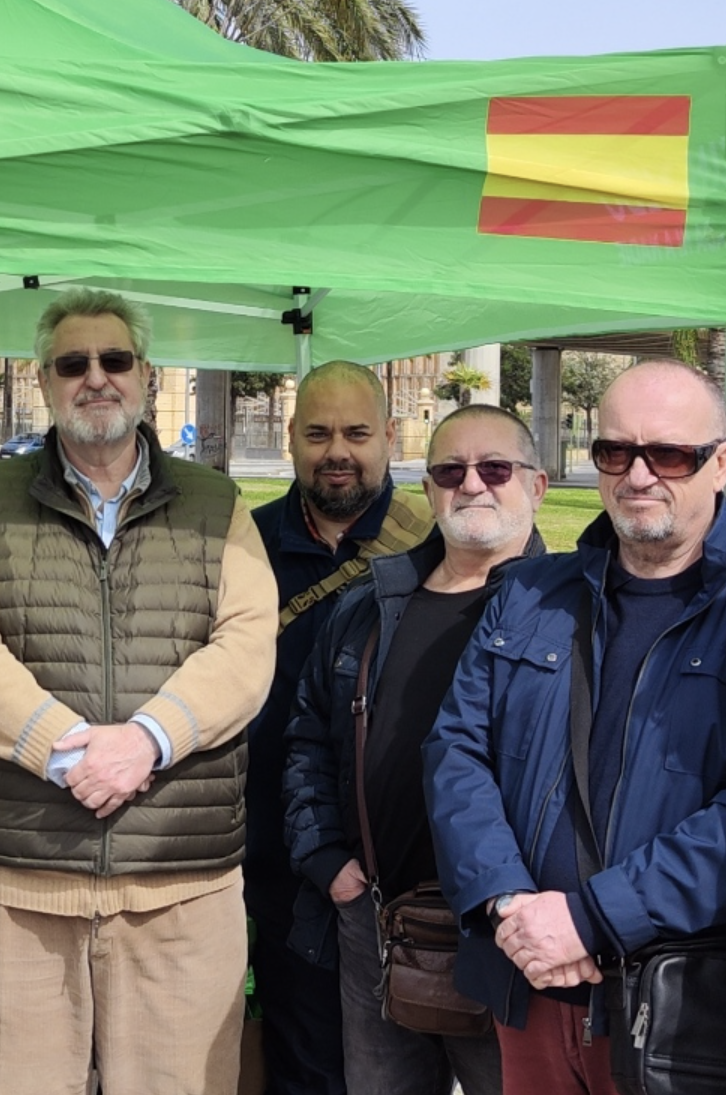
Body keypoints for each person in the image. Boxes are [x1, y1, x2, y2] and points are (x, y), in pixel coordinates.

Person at [423, 360, 726, 1092]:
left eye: (668, 454)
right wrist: (512, 903)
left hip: (682, 1007)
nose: (638, 475)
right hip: (531, 981)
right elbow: (456, 751)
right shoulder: (528, 594)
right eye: (615, 452)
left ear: (721, 464)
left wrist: (592, 919)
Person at [0, 289, 277, 1095]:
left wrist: (146, 741)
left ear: (146, 376)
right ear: (43, 382)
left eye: (115, 360)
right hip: (18, 885)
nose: (96, 378)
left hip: (180, 887)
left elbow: (247, 645)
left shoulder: (216, 505)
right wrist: (68, 750)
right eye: (73, 364)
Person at [285, 405, 548, 1095]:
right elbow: (310, 731)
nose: (472, 485)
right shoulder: (371, 603)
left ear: (537, 485)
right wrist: (324, 856)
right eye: (450, 471)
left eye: (495, 469)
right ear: (428, 489)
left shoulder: (572, 609)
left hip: (511, 937)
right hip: (377, 921)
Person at [250, 360, 433, 1095]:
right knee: (304, 1059)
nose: (338, 451)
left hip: (403, 873)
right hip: (275, 857)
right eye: (319, 433)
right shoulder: (244, 545)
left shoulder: (437, 545)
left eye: (357, 433)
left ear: (390, 436)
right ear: (291, 438)